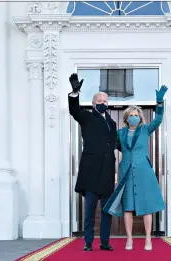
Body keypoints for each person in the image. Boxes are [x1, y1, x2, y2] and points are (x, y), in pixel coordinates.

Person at [103, 85, 168, 251]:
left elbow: (158, 119)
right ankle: (129, 239)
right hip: (126, 172)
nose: (133, 117)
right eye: (131, 115)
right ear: (126, 118)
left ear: (140, 118)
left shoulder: (145, 129)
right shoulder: (121, 132)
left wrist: (159, 102)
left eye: (136, 115)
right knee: (128, 207)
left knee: (146, 206)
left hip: (143, 172)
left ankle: (148, 239)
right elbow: (116, 146)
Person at [68, 73, 117, 251]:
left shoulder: (112, 123)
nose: (103, 103)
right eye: (100, 100)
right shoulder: (87, 117)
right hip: (90, 172)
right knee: (89, 212)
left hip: (107, 173)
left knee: (106, 211)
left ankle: (104, 242)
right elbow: (74, 111)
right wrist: (74, 93)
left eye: (106, 101)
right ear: (93, 103)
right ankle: (88, 242)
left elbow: (114, 143)